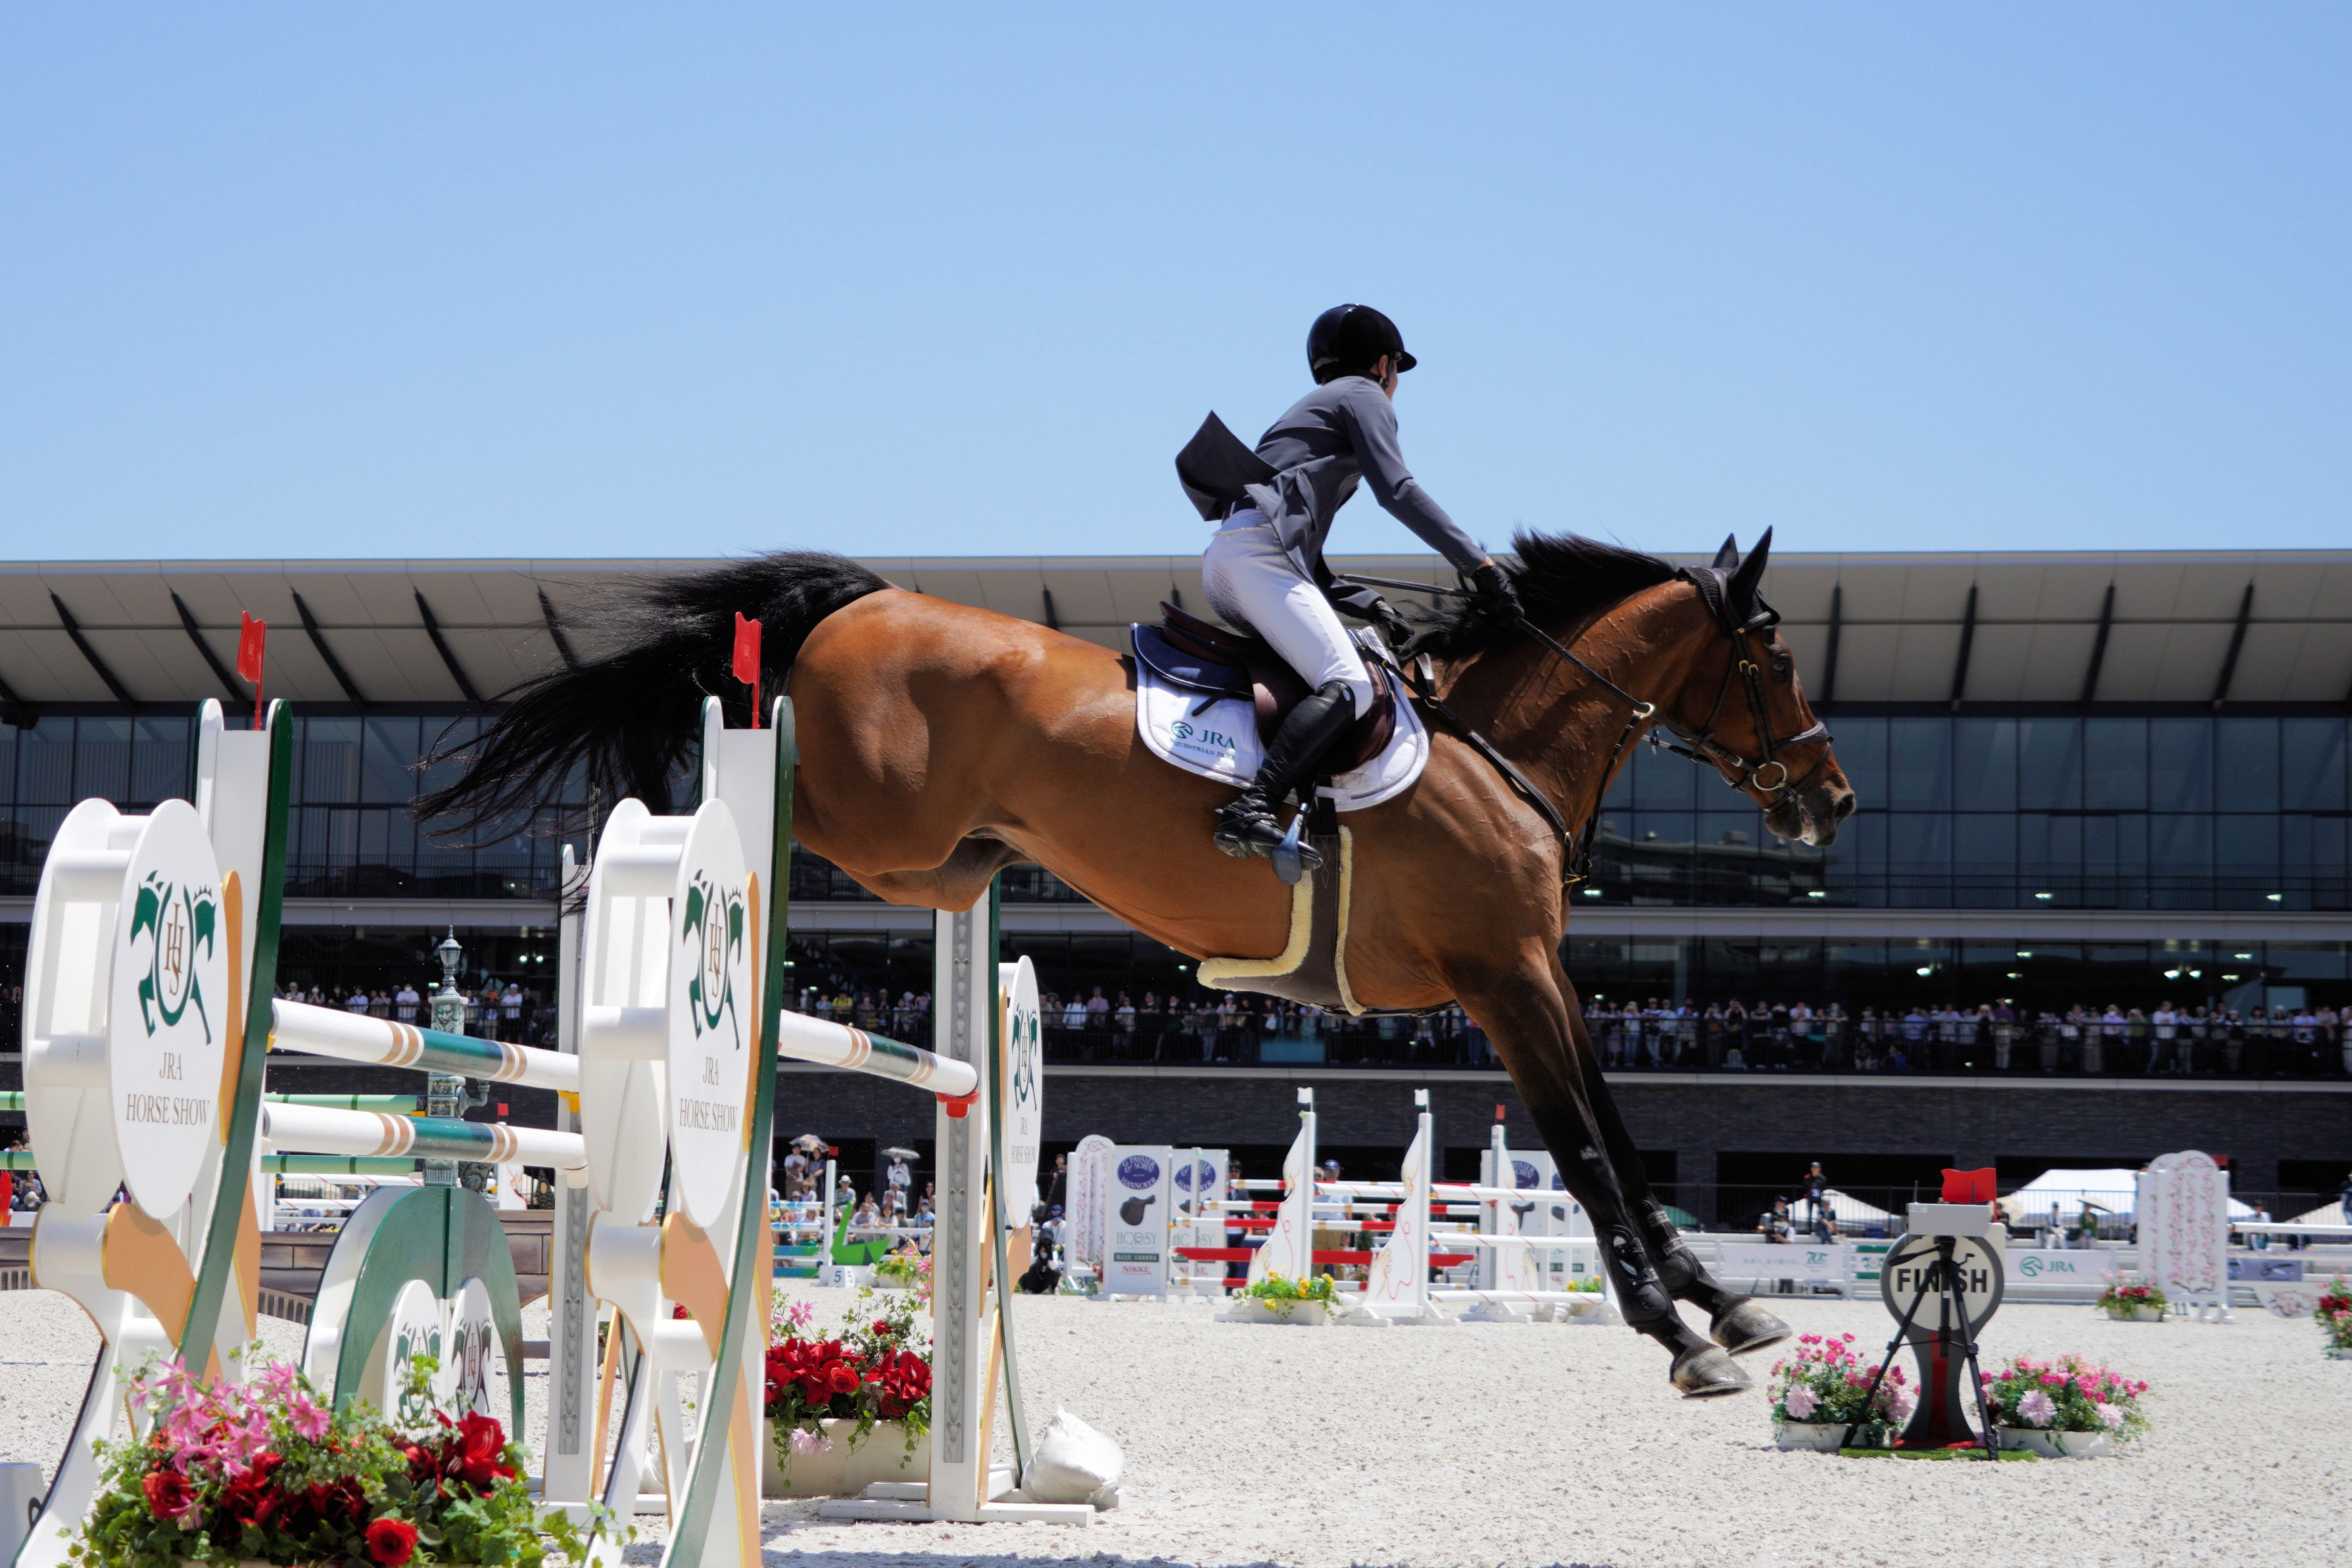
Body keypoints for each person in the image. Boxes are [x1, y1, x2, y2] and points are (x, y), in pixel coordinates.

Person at [1176, 304, 1516, 867]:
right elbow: (1397, 490)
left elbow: (1306, 560)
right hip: (1257, 556)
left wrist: (1372, 604)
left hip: (1232, 561)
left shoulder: (1315, 407)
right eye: (1396, 371)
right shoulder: (1364, 395)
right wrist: (1479, 565)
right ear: (1384, 365)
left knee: (1335, 672)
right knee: (1350, 683)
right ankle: (1252, 806)